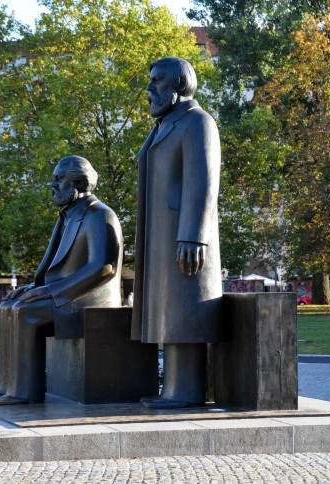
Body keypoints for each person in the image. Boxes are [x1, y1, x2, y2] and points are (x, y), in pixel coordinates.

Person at [0, 155, 123, 405]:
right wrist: (34, 287)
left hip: (89, 298)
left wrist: (51, 292)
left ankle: (23, 392)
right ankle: (4, 386)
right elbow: (57, 268)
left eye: (58, 179)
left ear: (78, 183)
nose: (52, 185)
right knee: (7, 307)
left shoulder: (99, 215)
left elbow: (102, 267)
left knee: (27, 312)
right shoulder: (68, 215)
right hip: (66, 294)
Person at [131, 57, 222, 408]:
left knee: (184, 308)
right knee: (169, 308)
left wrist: (193, 234)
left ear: (179, 85)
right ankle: (172, 388)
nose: (150, 89)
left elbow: (203, 182)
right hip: (161, 232)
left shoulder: (198, 123)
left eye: (157, 81)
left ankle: (185, 390)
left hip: (184, 236)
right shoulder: (166, 125)